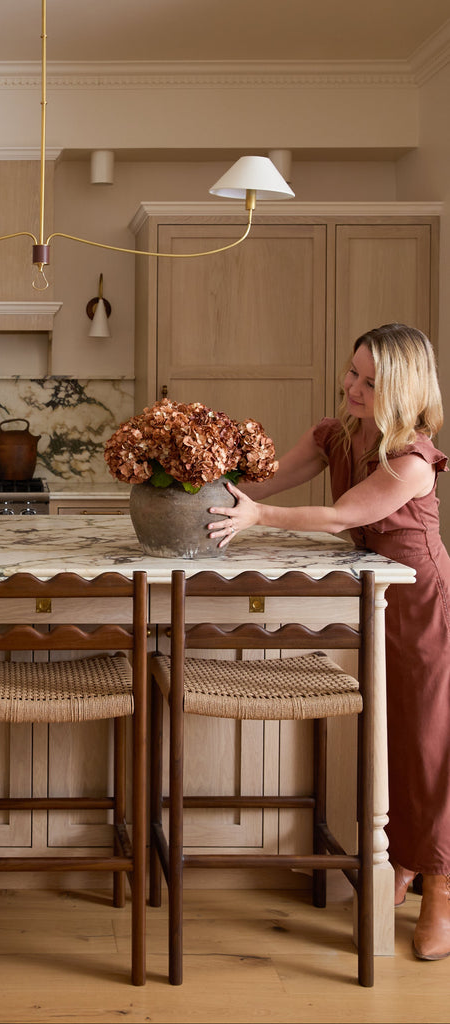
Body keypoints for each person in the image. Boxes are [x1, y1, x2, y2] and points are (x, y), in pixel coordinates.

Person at [206, 322, 450, 962]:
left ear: (403, 388)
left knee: (429, 745)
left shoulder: (412, 461)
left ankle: (442, 889)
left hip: (422, 601)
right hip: (374, 598)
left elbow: (343, 515)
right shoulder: (335, 434)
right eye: (352, 372)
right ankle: (401, 864)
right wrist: (197, 491)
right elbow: (261, 486)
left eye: (371, 381)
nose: (355, 387)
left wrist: (258, 519)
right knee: (389, 734)